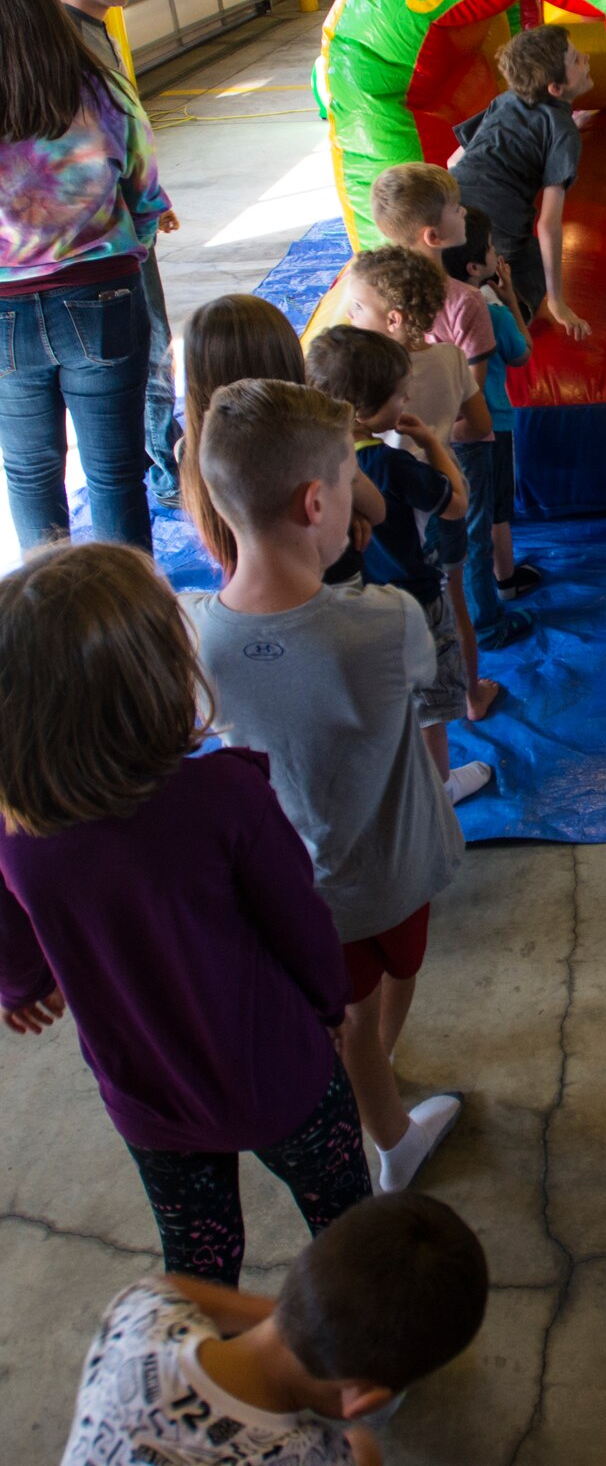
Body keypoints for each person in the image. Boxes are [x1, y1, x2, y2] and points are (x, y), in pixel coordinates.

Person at [0, 541, 371, 1283]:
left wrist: (20, 986)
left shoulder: (18, 831)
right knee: (348, 1225)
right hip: (279, 1076)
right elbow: (299, 920)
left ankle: (201, 1384)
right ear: (158, 679)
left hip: (147, 1098)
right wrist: (331, 1006)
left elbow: (15, 943)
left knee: (198, 1262)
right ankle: (363, 1369)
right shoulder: (225, 799)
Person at [181, 379, 468, 1194]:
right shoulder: (385, 621)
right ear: (317, 503)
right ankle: (389, 1131)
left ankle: (370, 1083)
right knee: (377, 995)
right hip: (393, 869)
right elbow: (419, 682)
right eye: (351, 479)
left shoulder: (196, 631)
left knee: (345, 1004)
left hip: (293, 886)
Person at [61, 1192, 488, 1465]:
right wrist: (364, 1451)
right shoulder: (312, 1457)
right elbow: (357, 1448)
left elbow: (170, 1287)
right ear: (362, 1399)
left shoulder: (140, 1316)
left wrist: (311, 1315)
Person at [0, 0, 167, 550]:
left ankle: (49, 626)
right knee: (117, 474)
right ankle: (133, 616)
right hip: (104, 295)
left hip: (3, 314)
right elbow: (147, 198)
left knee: (28, 472)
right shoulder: (105, 92)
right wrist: (126, 255)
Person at [304, 326, 492, 806]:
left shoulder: (310, 457)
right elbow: (457, 504)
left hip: (349, 597)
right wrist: (432, 444)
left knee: (380, 693)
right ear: (363, 408)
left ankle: (391, 776)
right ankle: (439, 786)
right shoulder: (388, 465)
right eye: (399, 395)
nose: (407, 399)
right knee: (431, 696)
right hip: (413, 597)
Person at [43, 0, 183, 509]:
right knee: (145, 347)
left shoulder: (91, 33)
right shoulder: (67, 46)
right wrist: (140, 212)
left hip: (100, 235)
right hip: (102, 248)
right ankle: (161, 463)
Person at [370, 161, 529, 654]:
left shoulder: (378, 298)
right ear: (435, 235)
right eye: (457, 208)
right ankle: (486, 624)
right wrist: (446, 431)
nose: (465, 212)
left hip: (405, 443)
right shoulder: (466, 303)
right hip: (463, 444)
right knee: (472, 534)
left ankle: (439, 620)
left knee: (433, 538)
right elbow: (473, 394)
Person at [344, 245, 500, 722]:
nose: (348, 315)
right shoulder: (452, 358)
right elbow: (477, 427)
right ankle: (471, 694)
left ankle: (398, 702)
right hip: (439, 494)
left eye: (356, 307)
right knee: (452, 600)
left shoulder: (362, 371)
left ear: (392, 320)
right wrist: (435, 438)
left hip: (387, 508)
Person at [177, 292, 384, 579]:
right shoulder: (317, 436)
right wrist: (350, 507)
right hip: (329, 587)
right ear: (286, 360)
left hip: (248, 590)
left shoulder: (188, 449)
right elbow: (376, 509)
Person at [450, 24, 593, 338]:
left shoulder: (508, 99)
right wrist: (557, 301)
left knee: (458, 258)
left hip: (448, 205)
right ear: (555, 88)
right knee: (530, 265)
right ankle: (499, 315)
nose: (585, 58)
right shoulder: (561, 132)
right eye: (576, 60)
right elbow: (548, 224)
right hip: (497, 230)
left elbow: (454, 160)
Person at [441, 205, 542, 602]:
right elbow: (521, 354)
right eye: (488, 248)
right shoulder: (492, 313)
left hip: (446, 426)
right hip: (490, 424)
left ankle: (466, 583)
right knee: (496, 509)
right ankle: (504, 582)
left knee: (464, 503)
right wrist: (512, 298)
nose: (495, 250)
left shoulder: (439, 305)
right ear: (473, 267)